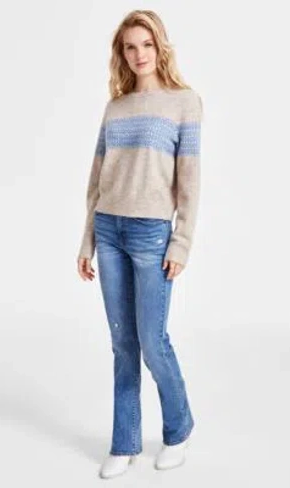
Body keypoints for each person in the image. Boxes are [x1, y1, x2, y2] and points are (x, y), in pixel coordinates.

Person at [76, 9, 203, 479]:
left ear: (160, 46)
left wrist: (181, 242)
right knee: (122, 343)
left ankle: (178, 429)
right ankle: (124, 441)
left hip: (152, 234)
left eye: (146, 44)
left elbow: (189, 182)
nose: (139, 54)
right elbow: (97, 179)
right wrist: (87, 240)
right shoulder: (115, 107)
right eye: (130, 47)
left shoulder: (184, 103)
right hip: (109, 230)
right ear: (122, 54)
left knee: (153, 341)